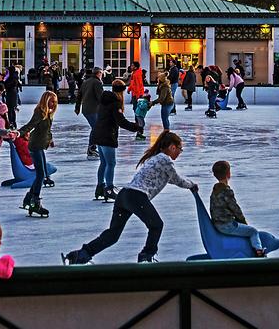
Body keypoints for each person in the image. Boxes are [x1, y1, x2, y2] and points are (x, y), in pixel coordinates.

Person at [63, 131, 197, 265]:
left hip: (124, 196)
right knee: (156, 225)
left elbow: (170, 179)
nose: (180, 152)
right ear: (172, 147)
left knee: (113, 235)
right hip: (136, 196)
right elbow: (176, 179)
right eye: (180, 149)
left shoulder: (156, 158)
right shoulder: (164, 159)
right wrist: (192, 185)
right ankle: (146, 257)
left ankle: (81, 255)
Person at [92, 80, 142, 201]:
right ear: (122, 91)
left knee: (104, 163)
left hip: (98, 133)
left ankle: (100, 187)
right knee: (111, 163)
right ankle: (109, 189)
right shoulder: (115, 103)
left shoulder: (104, 101)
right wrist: (136, 127)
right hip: (107, 135)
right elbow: (121, 121)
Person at [210, 160, 264, 256]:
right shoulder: (226, 191)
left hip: (217, 223)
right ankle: (259, 250)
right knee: (253, 231)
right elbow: (236, 209)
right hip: (227, 225)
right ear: (229, 174)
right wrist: (243, 222)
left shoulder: (215, 190)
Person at [19, 91, 57, 216]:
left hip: (40, 145)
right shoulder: (40, 112)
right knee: (41, 174)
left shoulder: (48, 113)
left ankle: (29, 199)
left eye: (55, 102)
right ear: (45, 101)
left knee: (42, 174)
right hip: (35, 145)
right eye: (52, 101)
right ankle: (34, 201)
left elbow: (47, 129)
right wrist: (19, 133)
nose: (54, 104)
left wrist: (50, 139)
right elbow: (30, 125)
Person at [75, 67, 103, 159]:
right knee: (96, 128)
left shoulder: (86, 82)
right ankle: (91, 149)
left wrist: (77, 107)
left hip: (86, 109)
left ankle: (92, 148)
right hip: (93, 109)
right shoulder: (97, 82)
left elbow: (79, 95)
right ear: (98, 73)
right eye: (101, 73)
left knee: (95, 128)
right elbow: (101, 97)